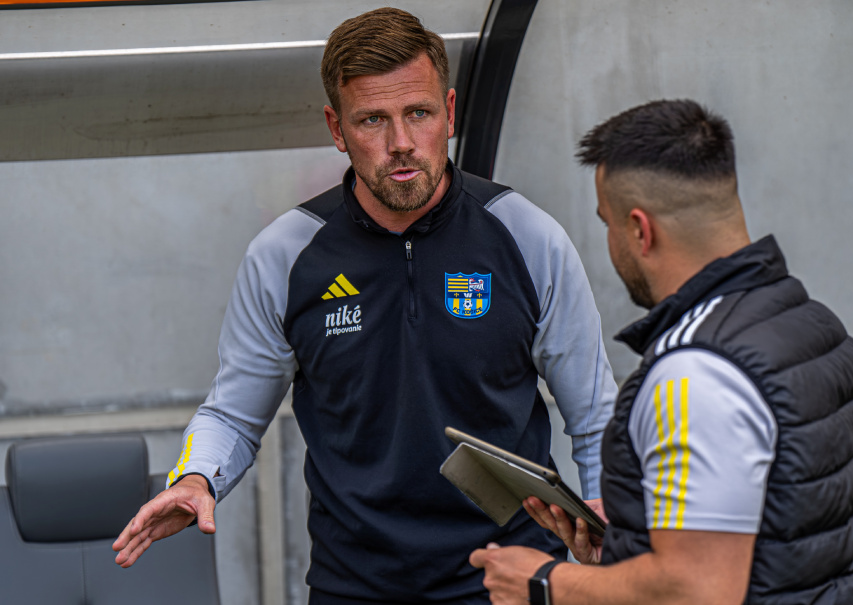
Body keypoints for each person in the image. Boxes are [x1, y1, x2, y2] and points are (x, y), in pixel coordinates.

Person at [112, 7, 618, 604]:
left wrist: (607, 517)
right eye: (373, 119)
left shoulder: (528, 237)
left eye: (419, 114)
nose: (401, 143)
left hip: (508, 577)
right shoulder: (284, 254)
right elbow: (233, 414)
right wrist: (196, 477)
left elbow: (594, 413)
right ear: (337, 127)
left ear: (450, 112)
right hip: (352, 585)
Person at [471, 99, 853, 605]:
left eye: (607, 223)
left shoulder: (696, 374)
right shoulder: (814, 326)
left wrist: (543, 582)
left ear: (640, 230)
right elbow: (785, 536)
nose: (610, 242)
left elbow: (696, 590)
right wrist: (629, 548)